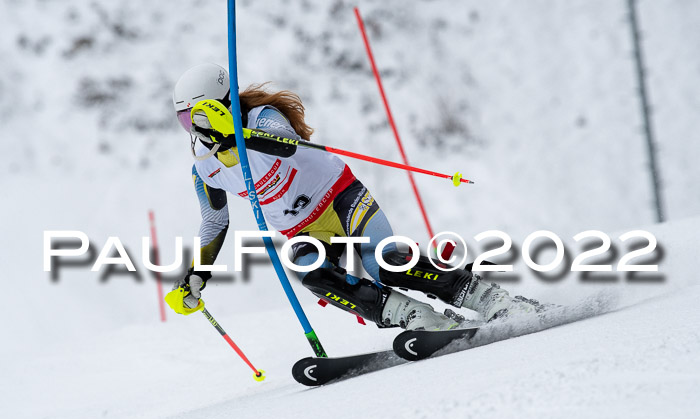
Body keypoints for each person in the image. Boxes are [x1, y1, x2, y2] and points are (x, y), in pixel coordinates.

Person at [171, 63, 535, 330]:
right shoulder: (204, 168)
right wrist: (197, 273)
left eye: (196, 119)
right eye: (185, 122)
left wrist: (238, 136)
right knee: (310, 271)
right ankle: (414, 316)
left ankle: (489, 299)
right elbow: (215, 221)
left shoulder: (262, 117)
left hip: (339, 196)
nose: (194, 132)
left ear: (218, 108)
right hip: (303, 230)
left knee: (384, 263)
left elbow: (287, 146)